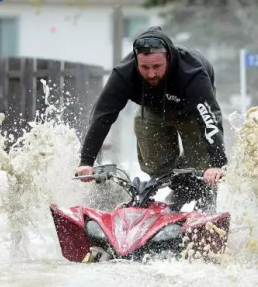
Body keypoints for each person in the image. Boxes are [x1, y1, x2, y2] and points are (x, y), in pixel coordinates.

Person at [75, 26, 227, 211]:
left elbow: (209, 119)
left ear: (169, 59)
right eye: (144, 67)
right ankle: (179, 192)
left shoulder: (192, 72)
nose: (151, 74)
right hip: (154, 111)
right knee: (156, 165)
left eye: (157, 67)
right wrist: (86, 161)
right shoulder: (124, 73)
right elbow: (102, 115)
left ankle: (205, 203)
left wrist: (217, 164)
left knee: (203, 165)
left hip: (192, 113)